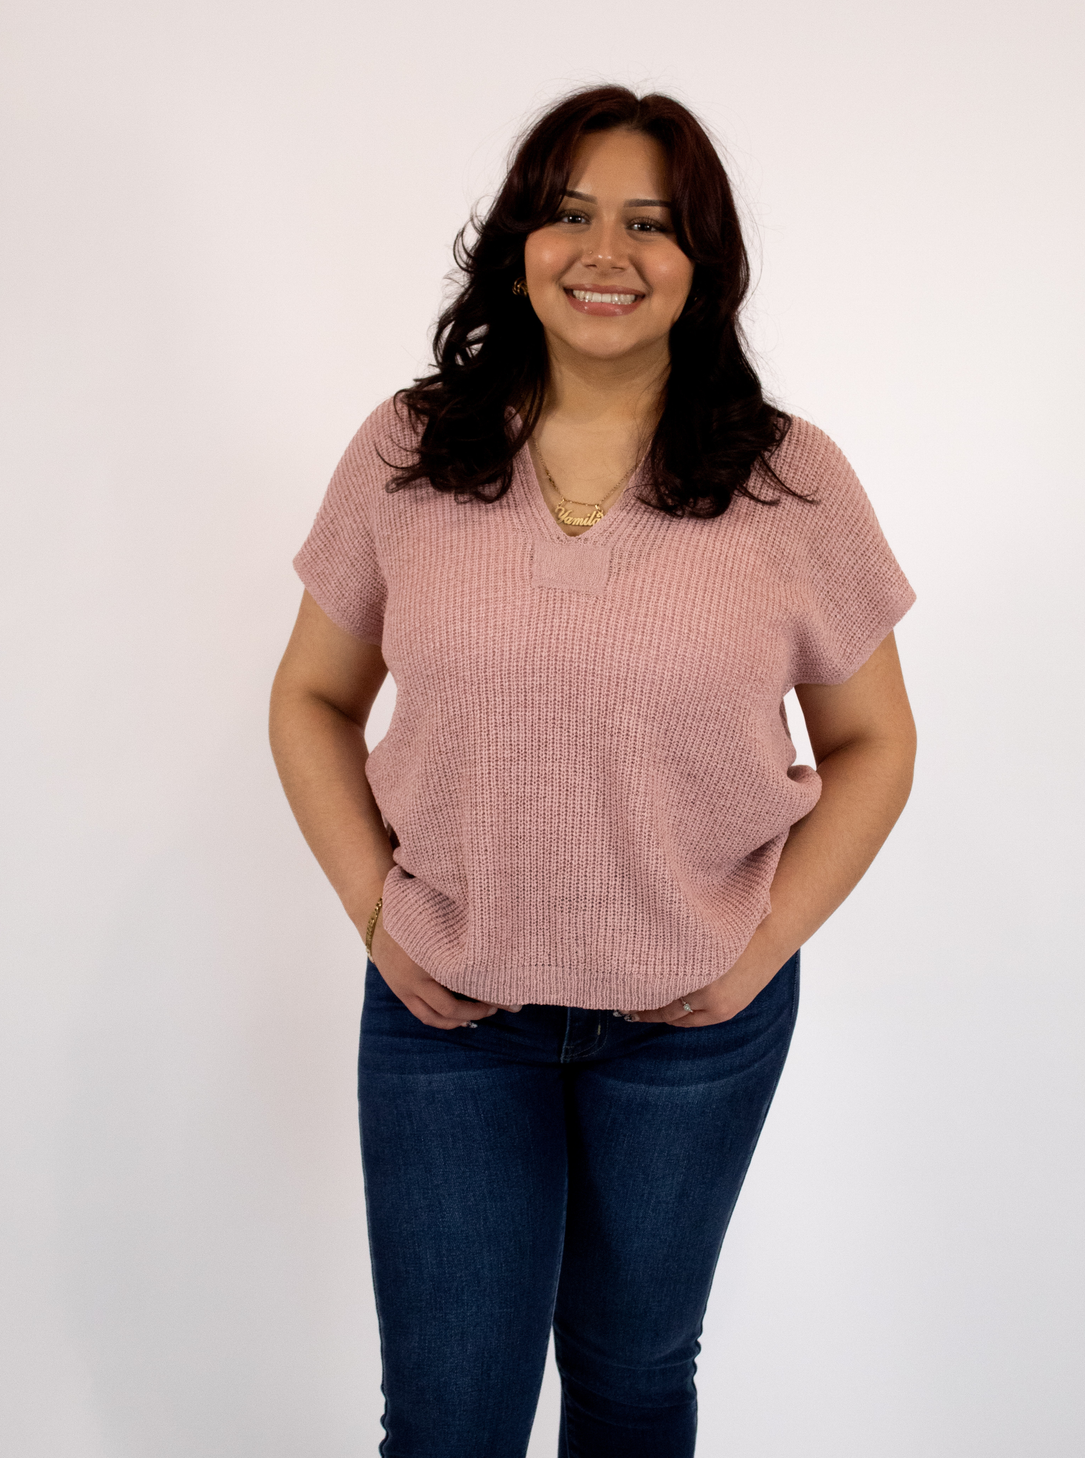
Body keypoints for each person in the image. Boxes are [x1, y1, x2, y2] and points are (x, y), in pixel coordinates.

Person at [269, 84, 917, 1458]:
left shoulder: (790, 481)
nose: (605, 252)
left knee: (632, 1384)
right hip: (448, 1016)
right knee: (450, 1421)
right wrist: (376, 912)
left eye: (651, 223)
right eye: (570, 215)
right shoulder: (406, 451)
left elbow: (876, 742)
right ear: (520, 244)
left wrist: (760, 948)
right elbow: (313, 700)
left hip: (694, 1029)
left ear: (703, 264)